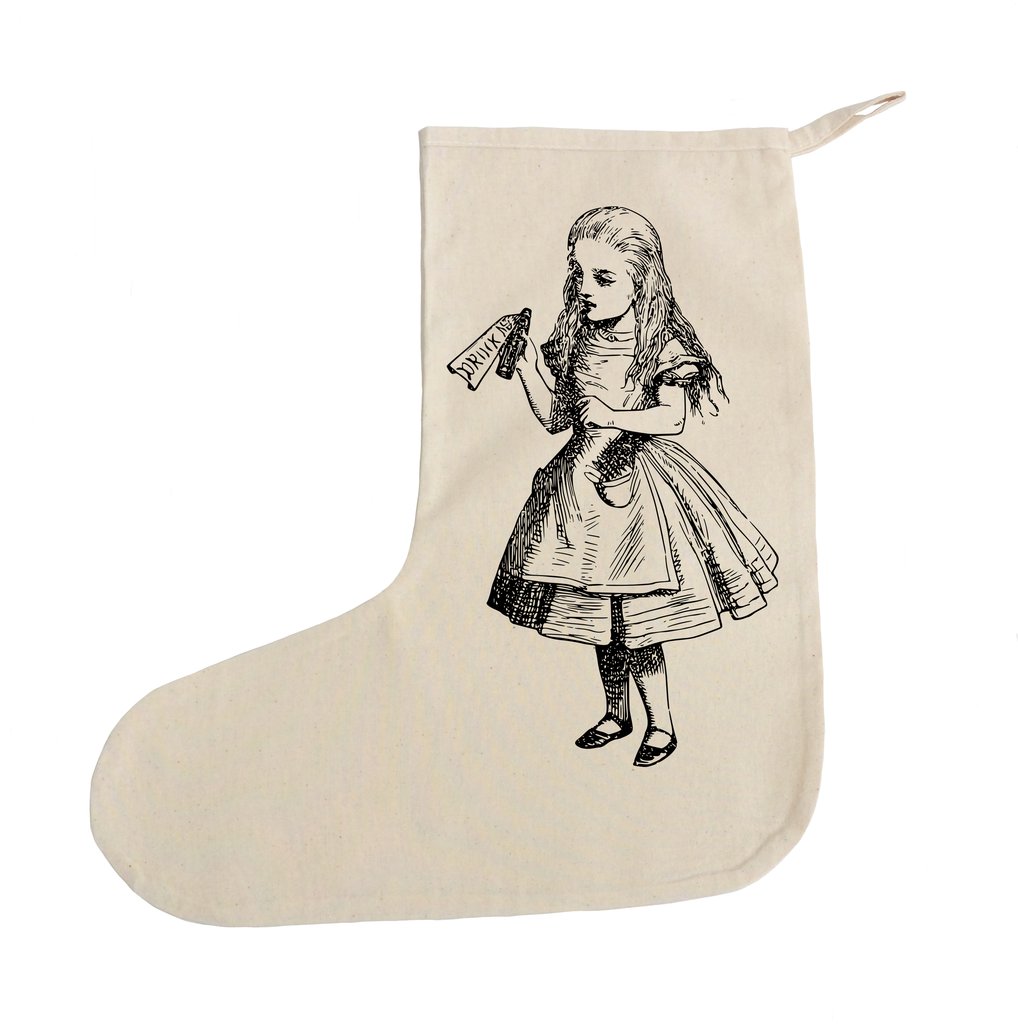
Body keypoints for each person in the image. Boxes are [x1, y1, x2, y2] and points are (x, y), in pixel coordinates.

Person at [486, 206, 779, 768]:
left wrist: (614, 414)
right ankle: (616, 714)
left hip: (638, 493)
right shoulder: (576, 340)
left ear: (640, 282)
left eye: (603, 278)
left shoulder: (661, 341)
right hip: (577, 493)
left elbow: (672, 417)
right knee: (601, 621)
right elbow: (555, 417)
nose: (585, 288)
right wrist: (526, 367)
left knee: (639, 624)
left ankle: (660, 724)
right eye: (578, 273)